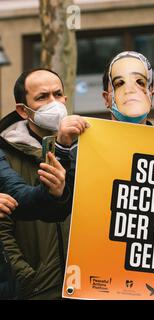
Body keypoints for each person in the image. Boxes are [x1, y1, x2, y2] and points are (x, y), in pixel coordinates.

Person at [0, 68, 73, 299]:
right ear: (23, 110)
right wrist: (26, 277)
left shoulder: (86, 147)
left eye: (58, 94)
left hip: (84, 286)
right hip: (37, 290)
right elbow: (19, 203)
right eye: (42, 97)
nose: (54, 103)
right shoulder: (5, 153)